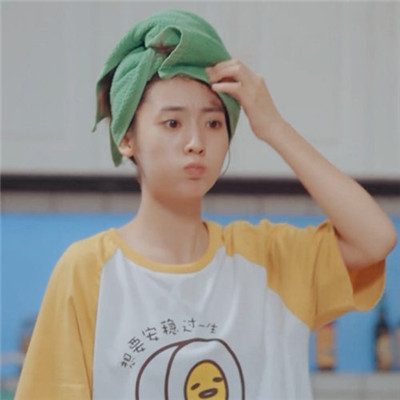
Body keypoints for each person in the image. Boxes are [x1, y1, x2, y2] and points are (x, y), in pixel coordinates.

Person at [15, 9, 397, 400]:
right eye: (173, 123)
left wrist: (274, 127)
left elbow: (376, 239)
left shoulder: (269, 260)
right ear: (126, 139)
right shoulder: (88, 272)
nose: (196, 142)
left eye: (213, 123)